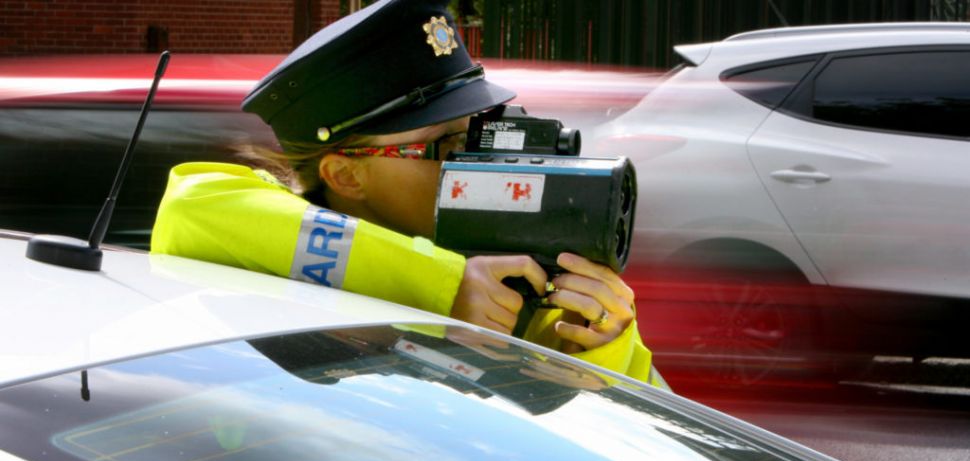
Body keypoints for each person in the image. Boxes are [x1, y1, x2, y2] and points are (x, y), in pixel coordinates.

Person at [151, 0, 666, 389]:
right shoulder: (261, 224)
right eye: (445, 146)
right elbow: (190, 209)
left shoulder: (515, 261)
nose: (474, 161)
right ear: (346, 176)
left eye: (478, 135)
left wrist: (603, 343)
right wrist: (449, 289)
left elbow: (662, 444)